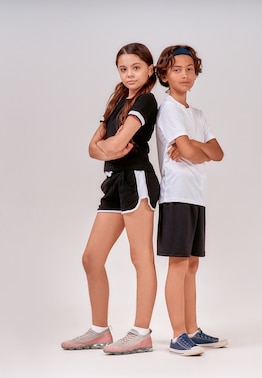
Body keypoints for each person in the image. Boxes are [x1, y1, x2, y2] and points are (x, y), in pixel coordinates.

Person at [61, 43, 160, 355]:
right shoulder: (118, 101)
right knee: (91, 258)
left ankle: (141, 332)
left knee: (140, 256)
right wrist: (108, 147)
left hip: (137, 180)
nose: (129, 74)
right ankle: (100, 330)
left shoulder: (146, 101)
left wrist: (108, 146)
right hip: (114, 182)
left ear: (149, 69)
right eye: (123, 68)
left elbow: (113, 144)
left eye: (135, 67)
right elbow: (95, 147)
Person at [155, 45, 227, 356]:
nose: (184, 74)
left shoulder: (196, 115)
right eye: (176, 70)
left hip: (197, 197)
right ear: (164, 75)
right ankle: (176, 335)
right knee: (179, 263)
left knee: (192, 265)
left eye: (189, 69)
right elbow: (186, 151)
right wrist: (195, 150)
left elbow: (218, 153)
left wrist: (194, 145)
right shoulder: (168, 109)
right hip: (176, 196)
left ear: (196, 73)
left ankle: (193, 330)